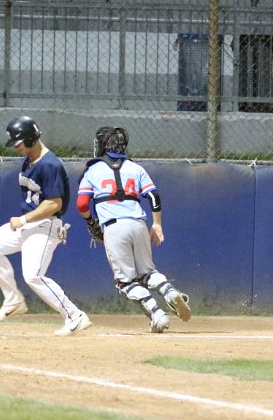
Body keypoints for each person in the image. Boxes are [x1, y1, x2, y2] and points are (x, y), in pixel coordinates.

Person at [0, 116, 92, 336]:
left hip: (45, 226)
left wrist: (23, 220)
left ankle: (75, 316)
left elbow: (54, 203)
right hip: (29, 224)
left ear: (31, 139)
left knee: (33, 275)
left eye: (19, 143)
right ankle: (13, 300)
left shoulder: (50, 164)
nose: (17, 148)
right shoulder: (30, 159)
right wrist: (24, 222)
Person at [76, 126, 191, 333]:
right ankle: (169, 292)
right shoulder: (135, 168)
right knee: (147, 273)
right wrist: (157, 224)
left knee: (125, 282)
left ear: (102, 146)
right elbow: (153, 195)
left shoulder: (92, 170)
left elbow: (82, 204)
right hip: (138, 223)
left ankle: (157, 315)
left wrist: (91, 222)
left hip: (114, 227)